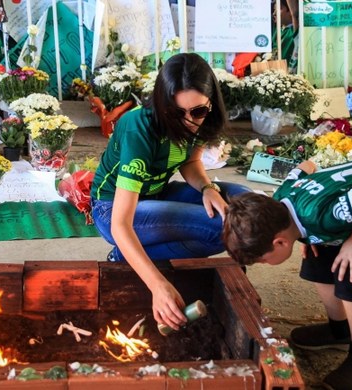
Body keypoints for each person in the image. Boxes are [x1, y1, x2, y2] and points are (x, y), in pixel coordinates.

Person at [222, 158, 352, 389]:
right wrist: (307, 235)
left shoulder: (325, 215)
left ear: (280, 242)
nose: (264, 263)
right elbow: (307, 165)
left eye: (262, 259)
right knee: (316, 256)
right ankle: (339, 330)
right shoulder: (281, 198)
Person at [90, 53, 250, 332]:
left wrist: (208, 188)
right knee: (223, 228)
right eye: (177, 113)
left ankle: (140, 254)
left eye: (198, 111)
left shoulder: (204, 120)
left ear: (210, 104)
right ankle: (124, 257)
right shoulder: (138, 127)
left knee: (246, 201)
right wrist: (158, 285)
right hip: (112, 210)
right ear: (163, 104)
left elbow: (189, 161)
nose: (189, 121)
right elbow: (120, 222)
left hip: (155, 196)